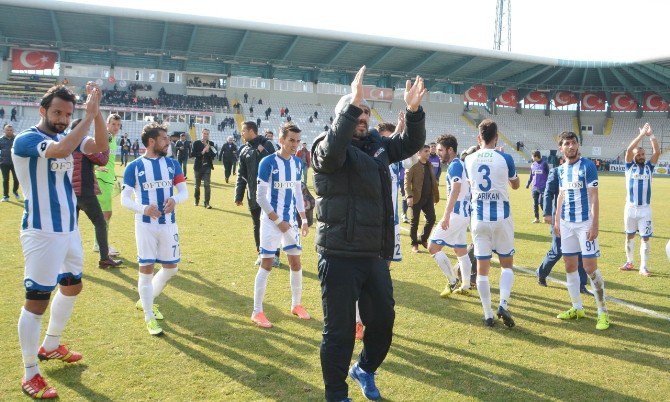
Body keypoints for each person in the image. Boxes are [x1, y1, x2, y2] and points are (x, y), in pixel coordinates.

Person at [311, 66, 426, 402]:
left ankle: (364, 368)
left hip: (374, 255)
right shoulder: (326, 148)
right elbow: (333, 151)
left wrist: (413, 112)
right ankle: (336, 394)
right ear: (342, 116)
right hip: (339, 255)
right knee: (339, 333)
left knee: (383, 323)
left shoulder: (377, 145)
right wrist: (352, 103)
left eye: (365, 112)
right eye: (355, 111)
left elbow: (409, 143)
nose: (362, 116)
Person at [13, 83, 108, 398]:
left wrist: (96, 113)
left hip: (68, 230)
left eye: (68, 114)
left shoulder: (65, 135)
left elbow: (101, 148)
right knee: (37, 300)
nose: (63, 118)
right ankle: (30, 373)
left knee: (72, 285)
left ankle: (51, 345)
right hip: (42, 231)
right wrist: (86, 116)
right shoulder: (29, 139)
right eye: (57, 112)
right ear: (42, 110)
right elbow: (62, 150)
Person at [121, 122, 188, 336]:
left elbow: (184, 192)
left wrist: (175, 200)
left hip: (168, 224)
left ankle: (145, 301)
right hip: (145, 226)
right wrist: (143, 209)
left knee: (171, 268)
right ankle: (149, 315)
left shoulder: (172, 164)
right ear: (152, 142)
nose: (168, 142)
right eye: (164, 139)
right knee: (146, 269)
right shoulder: (134, 167)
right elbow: (124, 199)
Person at [251, 122, 310, 328]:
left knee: (296, 262)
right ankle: (257, 311)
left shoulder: (296, 163)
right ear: (281, 139)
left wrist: (303, 218)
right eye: (291, 140)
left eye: (297, 141)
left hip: (290, 222)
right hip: (270, 222)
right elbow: (260, 197)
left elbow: (297, 193)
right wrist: (278, 221)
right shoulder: (267, 162)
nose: (295, 144)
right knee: (267, 264)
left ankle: (296, 304)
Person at [464, 119, 520, 328]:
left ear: (479, 138)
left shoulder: (469, 159)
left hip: (479, 219)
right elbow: (515, 185)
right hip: (502, 218)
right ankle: (503, 303)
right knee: (507, 266)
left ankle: (487, 314)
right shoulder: (505, 158)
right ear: (497, 138)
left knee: (482, 269)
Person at [554, 131, 609, 330]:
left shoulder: (587, 167)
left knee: (590, 268)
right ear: (561, 148)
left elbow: (594, 197)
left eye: (573, 142)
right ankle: (577, 307)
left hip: (585, 223)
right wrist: (557, 220)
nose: (571, 146)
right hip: (567, 223)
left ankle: (603, 313)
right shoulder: (561, 170)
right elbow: (561, 195)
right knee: (569, 265)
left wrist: (595, 224)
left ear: (578, 145)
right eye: (567, 143)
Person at [69, 118, 121, 269]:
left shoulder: (66, 143)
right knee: (100, 222)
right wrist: (103, 144)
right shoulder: (84, 143)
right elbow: (103, 159)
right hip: (85, 191)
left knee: (71, 226)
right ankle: (104, 257)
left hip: (69, 192)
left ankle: (67, 261)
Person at [428, 134, 473, 298]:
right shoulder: (461, 164)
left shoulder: (455, 165)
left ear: (450, 150)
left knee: (432, 247)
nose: (438, 153)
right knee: (460, 250)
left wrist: (446, 215)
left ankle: (453, 280)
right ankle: (466, 284)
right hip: (464, 214)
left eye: (440, 150)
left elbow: (455, 189)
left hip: (456, 214)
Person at [537, 162, 590, 294]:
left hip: (578, 218)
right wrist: (547, 213)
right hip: (560, 219)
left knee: (580, 252)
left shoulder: (582, 170)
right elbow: (548, 193)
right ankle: (541, 273)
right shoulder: (556, 171)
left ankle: (581, 285)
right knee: (557, 251)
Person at [620, 123, 660, 277]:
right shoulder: (629, 167)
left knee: (645, 238)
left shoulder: (649, 167)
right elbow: (629, 150)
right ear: (634, 157)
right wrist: (641, 134)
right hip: (630, 208)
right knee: (629, 235)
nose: (642, 156)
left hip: (645, 210)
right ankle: (629, 262)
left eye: (643, 154)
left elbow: (656, 151)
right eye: (639, 154)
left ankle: (644, 267)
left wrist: (651, 135)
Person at [235, 121, 277, 265]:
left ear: (251, 131)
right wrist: (238, 195)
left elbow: (277, 165)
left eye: (243, 130)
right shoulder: (243, 150)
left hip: (270, 195)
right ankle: (261, 254)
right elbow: (241, 175)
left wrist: (263, 152)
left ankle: (275, 255)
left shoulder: (268, 145)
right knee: (257, 224)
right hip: (253, 194)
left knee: (273, 224)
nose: (241, 133)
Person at [95, 113, 122, 257]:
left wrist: (114, 176)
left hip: (108, 179)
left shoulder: (113, 138)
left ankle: (98, 244)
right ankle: (101, 245)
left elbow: (109, 160)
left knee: (102, 214)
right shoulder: (106, 136)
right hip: (101, 179)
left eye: (118, 125)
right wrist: (95, 168)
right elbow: (90, 153)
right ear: (107, 124)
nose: (116, 127)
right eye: (113, 124)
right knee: (106, 213)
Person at [405, 145, 439, 253]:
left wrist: (434, 196)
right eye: (426, 151)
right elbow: (407, 183)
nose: (428, 153)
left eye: (429, 151)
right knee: (414, 221)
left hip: (428, 197)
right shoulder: (413, 165)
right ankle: (414, 244)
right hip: (416, 198)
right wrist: (409, 196)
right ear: (419, 153)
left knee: (432, 218)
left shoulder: (429, 165)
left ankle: (423, 239)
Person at [190, 128, 216, 209]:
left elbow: (214, 155)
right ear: (202, 134)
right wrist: (202, 152)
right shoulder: (196, 143)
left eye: (207, 134)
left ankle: (207, 203)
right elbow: (192, 154)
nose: (206, 135)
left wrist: (208, 151)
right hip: (198, 167)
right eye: (204, 133)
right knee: (197, 186)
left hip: (207, 167)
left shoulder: (211, 143)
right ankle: (196, 200)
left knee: (207, 185)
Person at [526, 150, 549, 223]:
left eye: (532, 156)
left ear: (536, 156)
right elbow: (531, 176)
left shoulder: (544, 164)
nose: (532, 158)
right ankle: (536, 218)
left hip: (543, 187)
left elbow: (548, 175)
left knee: (541, 202)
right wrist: (528, 183)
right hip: (534, 187)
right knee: (535, 203)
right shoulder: (533, 165)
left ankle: (546, 216)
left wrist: (549, 185)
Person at [0, 123, 20, 201]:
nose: (9, 131)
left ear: (13, 131)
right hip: (4, 163)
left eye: (10, 130)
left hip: (15, 163)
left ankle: (15, 191)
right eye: (7, 130)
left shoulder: (17, 139)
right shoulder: (1, 139)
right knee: (5, 179)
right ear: (4, 131)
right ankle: (6, 196)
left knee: (16, 179)